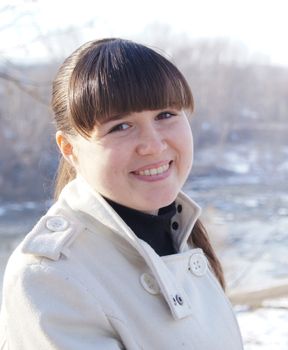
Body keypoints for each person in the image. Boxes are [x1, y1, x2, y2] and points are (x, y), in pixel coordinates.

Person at [0, 38, 244, 349]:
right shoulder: (49, 277)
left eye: (165, 115)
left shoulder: (182, 233)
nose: (154, 145)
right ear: (69, 148)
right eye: (121, 127)